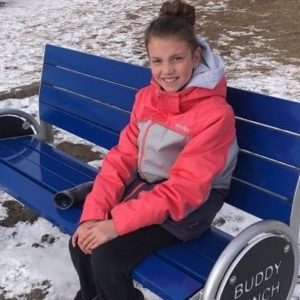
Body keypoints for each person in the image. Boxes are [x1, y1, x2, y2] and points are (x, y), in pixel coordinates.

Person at [69, 0, 239, 299]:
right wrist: (94, 216)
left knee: (108, 259)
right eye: (157, 61)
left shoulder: (215, 114)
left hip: (192, 202)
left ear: (196, 56)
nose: (167, 70)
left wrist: (116, 225)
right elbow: (121, 158)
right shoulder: (147, 98)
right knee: (82, 243)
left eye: (177, 59)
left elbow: (186, 189)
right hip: (151, 187)